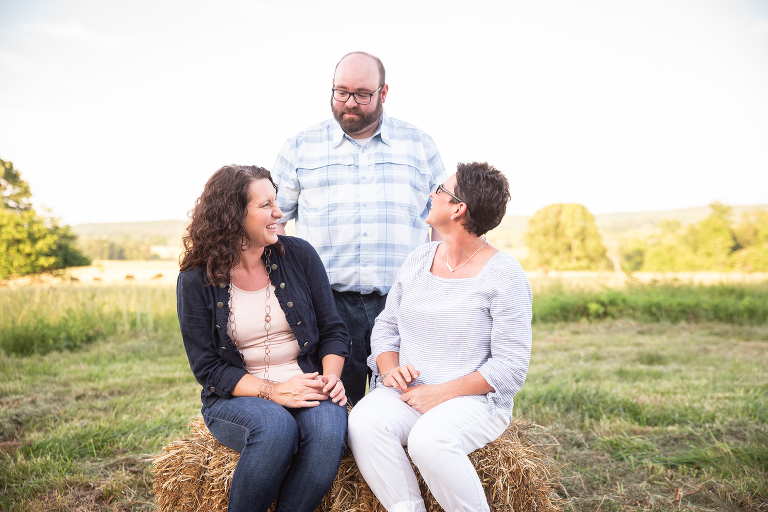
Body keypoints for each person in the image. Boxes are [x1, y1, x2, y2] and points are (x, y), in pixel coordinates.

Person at [347, 162, 533, 512]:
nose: (431, 195)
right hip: (410, 393)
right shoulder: (418, 259)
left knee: (429, 440)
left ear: (458, 208)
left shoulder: (505, 275)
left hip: (474, 401)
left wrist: (440, 394)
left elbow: (510, 368)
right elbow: (387, 328)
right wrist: (389, 371)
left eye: (439, 190)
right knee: (363, 422)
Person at [272, 51, 448, 405]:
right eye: (341, 92)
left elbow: (443, 222)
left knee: (401, 410)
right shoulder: (299, 148)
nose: (350, 103)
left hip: (404, 304)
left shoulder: (419, 145)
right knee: (332, 412)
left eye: (362, 94)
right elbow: (272, 221)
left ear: (384, 93)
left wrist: (438, 287)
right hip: (326, 306)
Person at [177, 165, 350, 512]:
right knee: (275, 428)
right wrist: (273, 392)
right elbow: (208, 368)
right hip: (237, 395)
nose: (278, 213)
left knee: (329, 430)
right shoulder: (195, 279)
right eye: (265, 205)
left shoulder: (299, 255)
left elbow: (333, 329)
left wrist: (330, 379)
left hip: (306, 381)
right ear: (233, 214)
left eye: (276, 202)